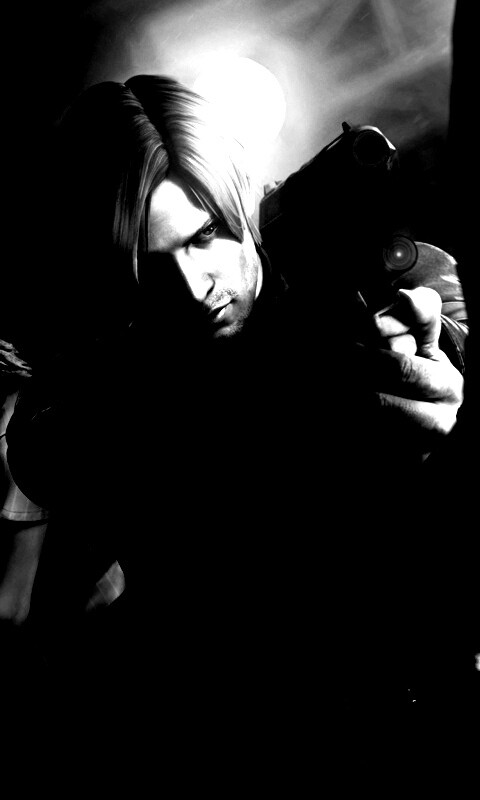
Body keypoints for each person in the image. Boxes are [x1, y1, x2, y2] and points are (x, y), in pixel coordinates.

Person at [5, 75, 468, 781]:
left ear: (244, 201)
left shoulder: (372, 281)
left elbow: (442, 328)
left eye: (207, 236)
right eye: (150, 266)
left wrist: (442, 387)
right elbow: (50, 450)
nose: (194, 289)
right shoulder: (109, 381)